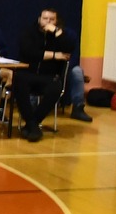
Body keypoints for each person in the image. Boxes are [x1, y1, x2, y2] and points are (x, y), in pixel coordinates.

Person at [12, 9, 73, 143]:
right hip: (28, 73)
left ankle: (32, 124)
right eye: (45, 18)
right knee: (19, 82)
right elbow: (29, 52)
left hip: (48, 75)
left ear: (56, 21)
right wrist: (55, 55)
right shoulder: (29, 32)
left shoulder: (60, 35)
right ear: (40, 19)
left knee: (56, 88)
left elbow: (68, 50)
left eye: (52, 19)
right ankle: (32, 125)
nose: (48, 22)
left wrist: (57, 32)